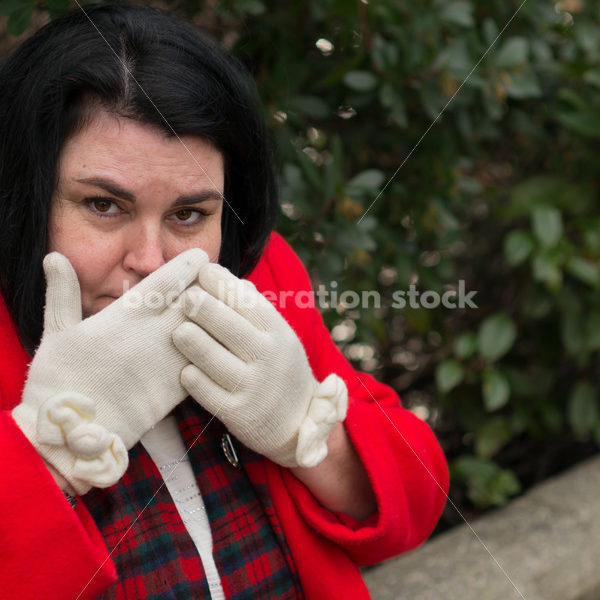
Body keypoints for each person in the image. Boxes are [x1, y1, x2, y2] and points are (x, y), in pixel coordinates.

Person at [0, 3, 449, 599]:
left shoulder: (248, 279)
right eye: (104, 205)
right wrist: (48, 458)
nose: (152, 260)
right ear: (26, 194)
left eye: (189, 214)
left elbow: (417, 501)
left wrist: (305, 432)